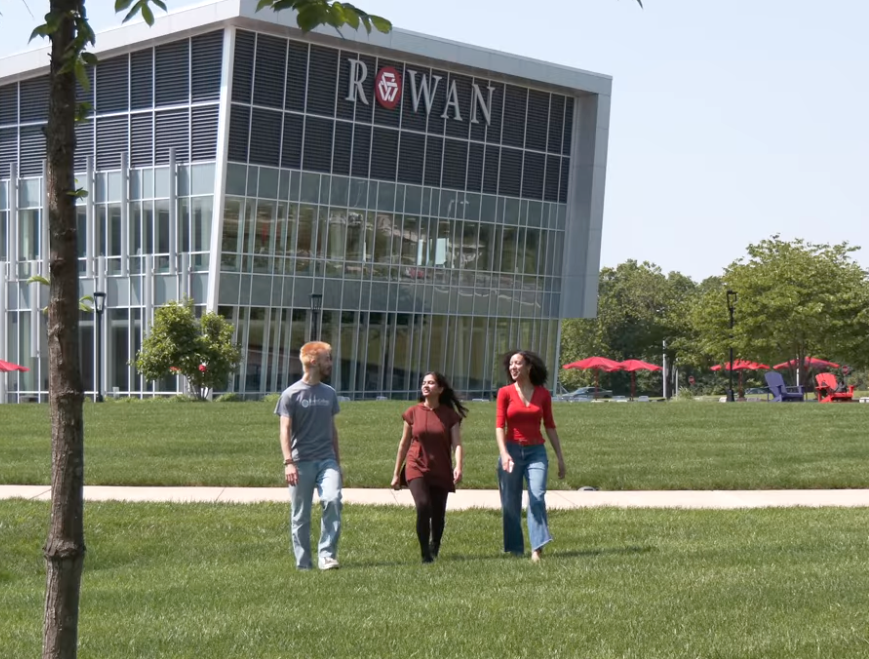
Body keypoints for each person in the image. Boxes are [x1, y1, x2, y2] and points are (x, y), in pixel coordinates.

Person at [275, 341, 342, 571]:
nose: (330, 363)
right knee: (300, 515)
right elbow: (284, 430)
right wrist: (288, 463)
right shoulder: (290, 394)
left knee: (332, 500)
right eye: (327, 359)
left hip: (327, 460)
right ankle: (304, 565)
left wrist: (337, 464)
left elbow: (332, 429)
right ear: (314, 361)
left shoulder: (329, 393)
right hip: (300, 462)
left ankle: (327, 555)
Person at [495, 350, 566, 562]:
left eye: (517, 363)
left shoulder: (543, 394)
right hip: (512, 450)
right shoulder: (505, 392)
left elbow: (550, 426)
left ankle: (537, 548)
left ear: (528, 367)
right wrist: (504, 453)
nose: (513, 367)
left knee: (537, 496)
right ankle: (516, 549)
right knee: (510, 502)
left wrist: (560, 458)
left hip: (536, 452)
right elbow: (499, 426)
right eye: (511, 364)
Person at [391, 372, 467, 563]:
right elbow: (404, 444)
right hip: (416, 466)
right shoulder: (413, 412)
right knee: (423, 506)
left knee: (438, 513)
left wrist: (458, 465)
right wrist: (395, 473)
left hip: (440, 467)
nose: (426, 385)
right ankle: (425, 553)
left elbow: (457, 443)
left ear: (440, 389)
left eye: (431, 383)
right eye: (424, 382)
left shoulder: (450, 416)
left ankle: (435, 546)